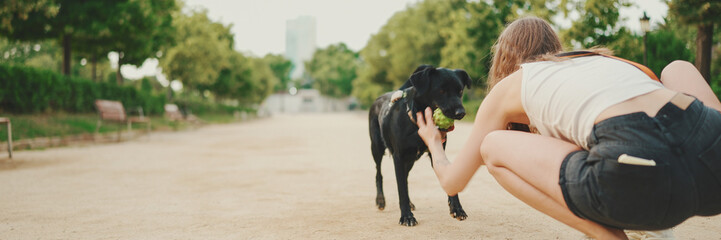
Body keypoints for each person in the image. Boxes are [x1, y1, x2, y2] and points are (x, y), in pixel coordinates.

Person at [414, 16, 721, 239]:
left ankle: (608, 236)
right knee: (677, 67)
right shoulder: (609, 63)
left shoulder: (512, 86)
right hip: (710, 162)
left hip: (637, 173)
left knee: (492, 145)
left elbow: (452, 183)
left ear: (503, 59)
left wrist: (433, 142)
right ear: (556, 47)